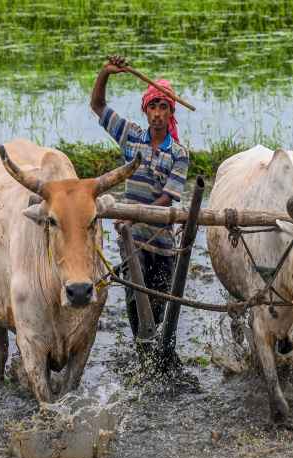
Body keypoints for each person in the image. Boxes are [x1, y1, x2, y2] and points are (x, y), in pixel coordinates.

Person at [90, 55, 190, 338]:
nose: (157, 113)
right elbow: (97, 105)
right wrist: (105, 72)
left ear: (171, 113)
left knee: (161, 306)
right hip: (132, 239)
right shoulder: (131, 137)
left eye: (163, 107)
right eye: (153, 107)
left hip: (162, 241)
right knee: (136, 298)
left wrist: (132, 217)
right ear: (145, 112)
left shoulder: (178, 154)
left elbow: (169, 198)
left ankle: (155, 343)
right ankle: (141, 347)